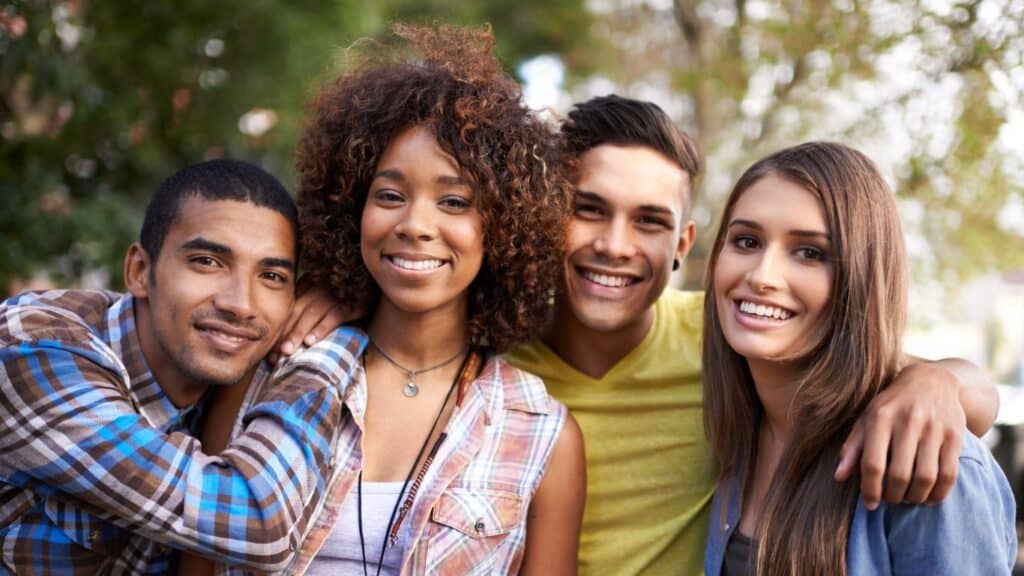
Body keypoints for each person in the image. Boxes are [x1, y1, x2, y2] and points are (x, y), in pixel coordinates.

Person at [285, 95, 1000, 575]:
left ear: (686, 243)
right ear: (540, 218)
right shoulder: (488, 351)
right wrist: (337, 293)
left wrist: (935, 381)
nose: (615, 245)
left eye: (650, 221)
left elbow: (892, 367)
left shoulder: (727, 346)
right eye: (588, 210)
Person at [191, 24, 585, 576]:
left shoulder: (540, 432)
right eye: (391, 195)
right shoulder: (266, 375)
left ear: (503, 227)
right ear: (353, 210)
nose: (415, 225)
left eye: (453, 201)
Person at [0, 159, 367, 574]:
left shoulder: (225, 379)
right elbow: (262, 523)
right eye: (208, 262)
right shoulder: (32, 351)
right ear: (139, 271)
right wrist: (324, 347)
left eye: (271, 276)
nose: (240, 304)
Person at [702, 142, 1016, 575]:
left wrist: (944, 381)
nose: (761, 276)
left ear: (861, 278)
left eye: (810, 253)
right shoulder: (739, 429)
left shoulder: (923, 455)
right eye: (747, 241)